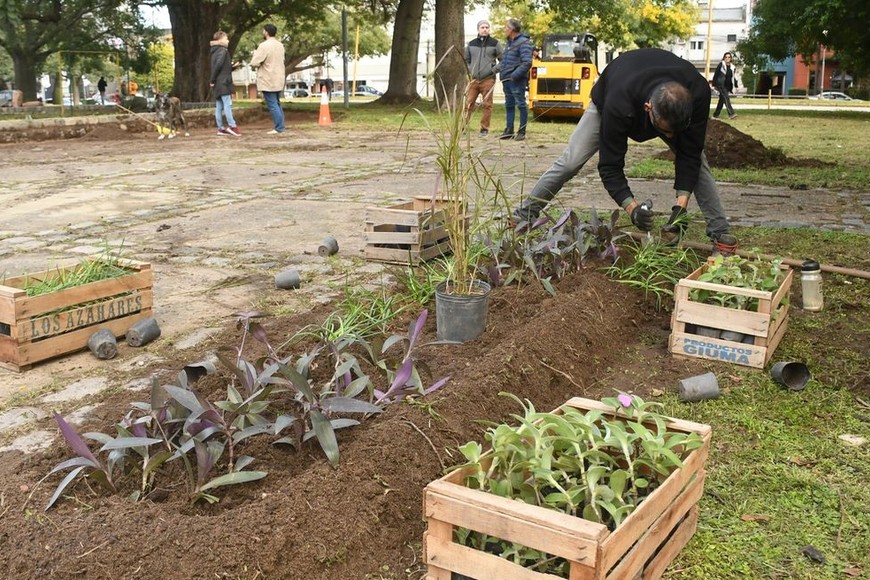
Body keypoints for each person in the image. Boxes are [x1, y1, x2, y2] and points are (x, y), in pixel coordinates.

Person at [512, 48, 738, 254]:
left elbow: (689, 154)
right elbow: (610, 167)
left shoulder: (698, 92)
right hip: (613, 93)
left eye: (675, 132)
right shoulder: (618, 102)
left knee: (699, 162)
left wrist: (680, 208)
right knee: (570, 161)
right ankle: (523, 216)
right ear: (649, 108)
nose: (670, 138)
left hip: (658, 100)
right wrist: (632, 209)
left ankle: (720, 233)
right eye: (665, 132)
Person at [464, 19, 503, 137]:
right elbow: (466, 60)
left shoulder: (495, 43)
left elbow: (503, 60)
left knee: (487, 105)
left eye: (487, 27)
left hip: (488, 80)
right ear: (478, 29)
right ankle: (463, 127)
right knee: (468, 104)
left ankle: (484, 129)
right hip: (473, 80)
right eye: (482, 27)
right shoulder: (471, 44)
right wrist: (470, 71)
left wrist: (493, 71)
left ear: (489, 29)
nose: (485, 29)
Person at [497, 18, 533, 141]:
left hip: (516, 80)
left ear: (512, 29)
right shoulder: (509, 43)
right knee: (509, 105)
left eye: (506, 27)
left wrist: (514, 75)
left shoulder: (524, 43)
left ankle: (522, 131)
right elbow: (505, 61)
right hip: (506, 79)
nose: (504, 29)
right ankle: (509, 130)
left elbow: (527, 62)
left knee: (521, 104)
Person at [250, 23, 286, 134]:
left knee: (273, 104)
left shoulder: (264, 46)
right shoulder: (280, 45)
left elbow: (255, 62)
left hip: (268, 78)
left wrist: (255, 56)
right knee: (277, 103)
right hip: (279, 77)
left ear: (266, 32)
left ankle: (279, 128)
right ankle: (281, 126)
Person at [210, 30, 241, 137]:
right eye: (226, 38)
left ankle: (221, 128)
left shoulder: (214, 50)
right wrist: (212, 80)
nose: (227, 40)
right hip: (224, 83)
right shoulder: (223, 50)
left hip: (218, 83)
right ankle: (232, 126)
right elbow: (218, 66)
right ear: (220, 39)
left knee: (219, 106)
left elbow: (221, 67)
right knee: (227, 105)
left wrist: (232, 67)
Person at [711, 52, 738, 120]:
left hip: (728, 86)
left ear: (731, 58)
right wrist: (713, 84)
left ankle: (715, 115)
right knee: (726, 98)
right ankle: (731, 114)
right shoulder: (721, 65)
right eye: (726, 57)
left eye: (729, 57)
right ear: (724, 58)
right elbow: (716, 74)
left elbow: (733, 77)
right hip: (721, 85)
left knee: (722, 100)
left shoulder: (732, 67)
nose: (727, 58)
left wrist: (736, 85)